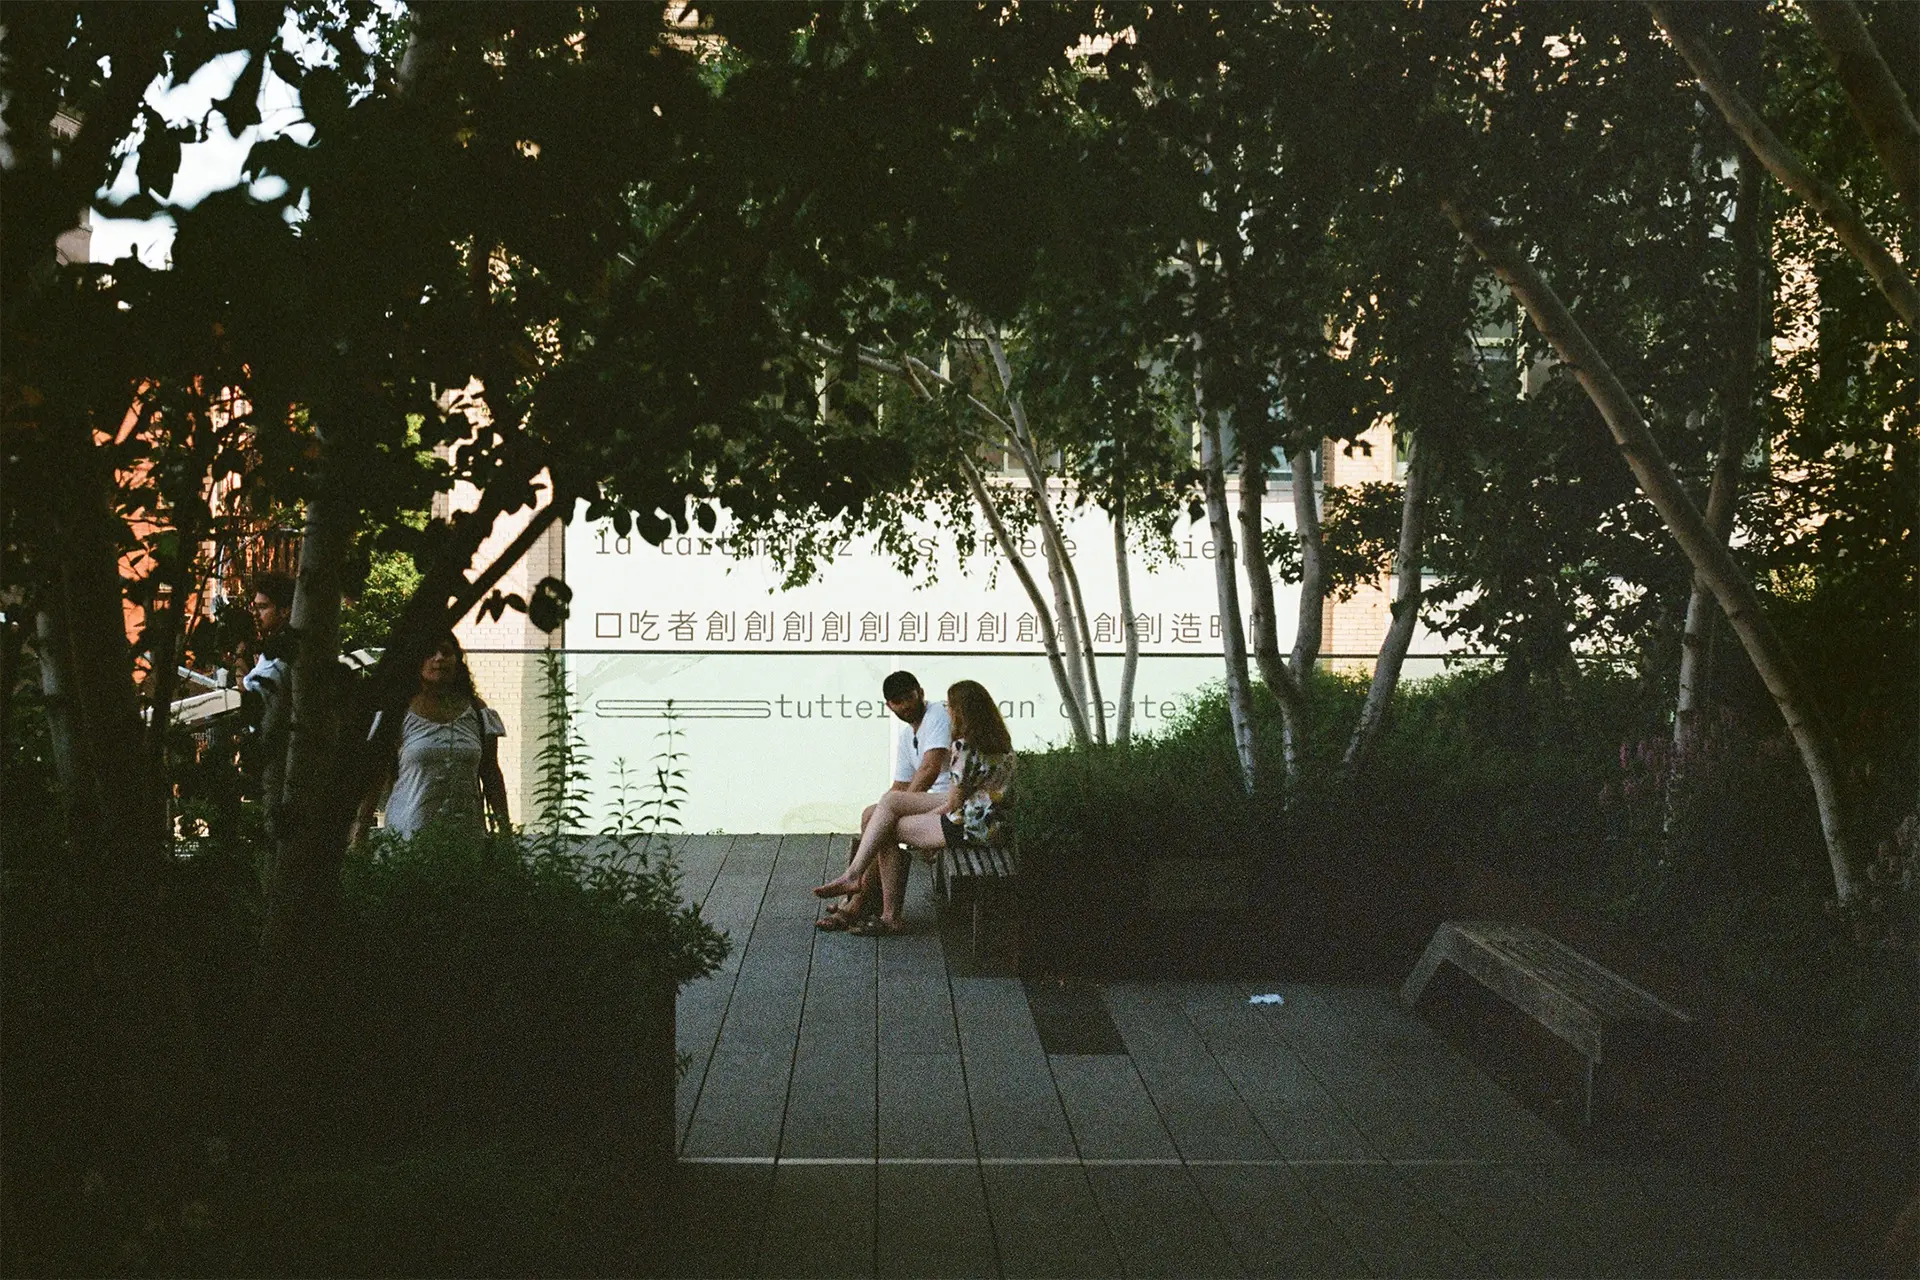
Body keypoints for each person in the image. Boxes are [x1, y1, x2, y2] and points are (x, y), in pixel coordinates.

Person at [812, 679, 1015, 936]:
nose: (947, 711)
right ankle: (854, 878)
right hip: (990, 819)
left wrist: (923, 826)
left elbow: (953, 803)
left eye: (950, 706)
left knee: (887, 827)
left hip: (973, 826)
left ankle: (885, 912)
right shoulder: (1001, 743)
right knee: (889, 803)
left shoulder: (965, 747)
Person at [815, 671, 955, 931]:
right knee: (872, 814)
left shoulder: (937, 714)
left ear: (920, 693)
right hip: (928, 802)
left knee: (887, 814)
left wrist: (897, 807)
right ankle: (875, 906)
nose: (905, 705)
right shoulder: (906, 736)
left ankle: (858, 899)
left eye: (909, 697)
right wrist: (887, 810)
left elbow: (930, 769)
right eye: (897, 701)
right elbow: (900, 785)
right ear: (888, 705)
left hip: (948, 799)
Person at [352, 633, 510, 842]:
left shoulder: (477, 712)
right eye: (430, 653)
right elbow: (376, 774)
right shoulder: (397, 712)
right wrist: (359, 831)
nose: (439, 658)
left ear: (457, 659)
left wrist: (506, 833)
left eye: (446, 652)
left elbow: (491, 774)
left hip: (466, 840)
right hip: (408, 838)